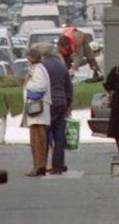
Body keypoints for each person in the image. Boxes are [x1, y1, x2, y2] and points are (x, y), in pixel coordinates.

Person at [41, 42, 73, 175]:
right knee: (59, 136)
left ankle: (42, 165)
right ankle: (58, 166)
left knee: (45, 134)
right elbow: (69, 86)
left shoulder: (43, 66)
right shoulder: (61, 65)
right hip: (62, 102)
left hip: (48, 102)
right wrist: (68, 103)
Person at [22, 45, 51, 176]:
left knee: (38, 139)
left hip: (37, 107)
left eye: (28, 58)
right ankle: (38, 165)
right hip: (36, 108)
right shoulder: (37, 69)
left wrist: (28, 85)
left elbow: (41, 86)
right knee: (36, 138)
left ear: (31, 58)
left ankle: (39, 166)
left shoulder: (38, 70)